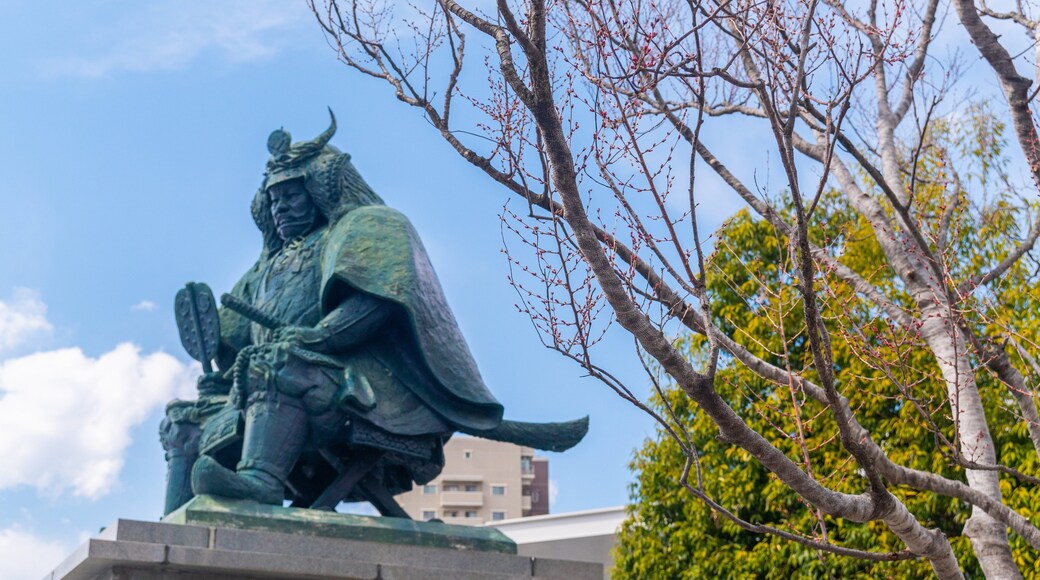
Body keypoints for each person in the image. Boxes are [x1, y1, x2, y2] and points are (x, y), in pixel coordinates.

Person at [160, 112, 586, 515]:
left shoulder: (363, 229)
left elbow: (376, 303)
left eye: (291, 195)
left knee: (277, 365)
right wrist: (220, 364)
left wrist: (316, 337)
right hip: (279, 381)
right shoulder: (262, 271)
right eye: (273, 200)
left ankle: (260, 481)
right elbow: (232, 341)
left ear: (318, 190)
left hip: (360, 387)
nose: (281, 208)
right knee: (181, 420)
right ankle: (177, 519)